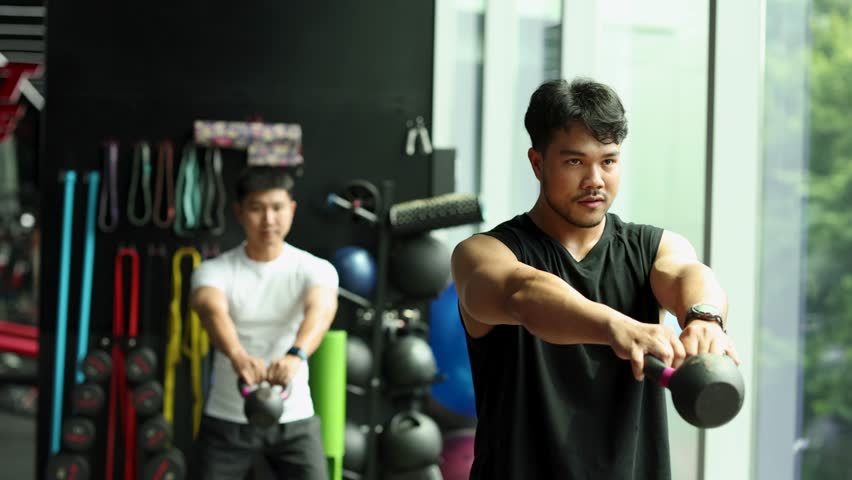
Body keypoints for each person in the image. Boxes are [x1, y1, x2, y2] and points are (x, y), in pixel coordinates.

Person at [450, 78, 742, 479]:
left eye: (608, 161)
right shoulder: (483, 254)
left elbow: (688, 273)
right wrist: (616, 327)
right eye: (575, 162)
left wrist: (705, 317)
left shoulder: (651, 248)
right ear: (537, 163)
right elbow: (526, 294)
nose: (595, 180)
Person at [190, 166, 339, 480]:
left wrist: (296, 355)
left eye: (277, 208)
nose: (268, 219)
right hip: (228, 420)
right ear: (239, 212)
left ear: (292, 210)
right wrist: (238, 356)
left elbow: (322, 309)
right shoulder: (213, 271)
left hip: (295, 418)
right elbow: (211, 311)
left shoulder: (316, 269)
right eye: (257, 208)